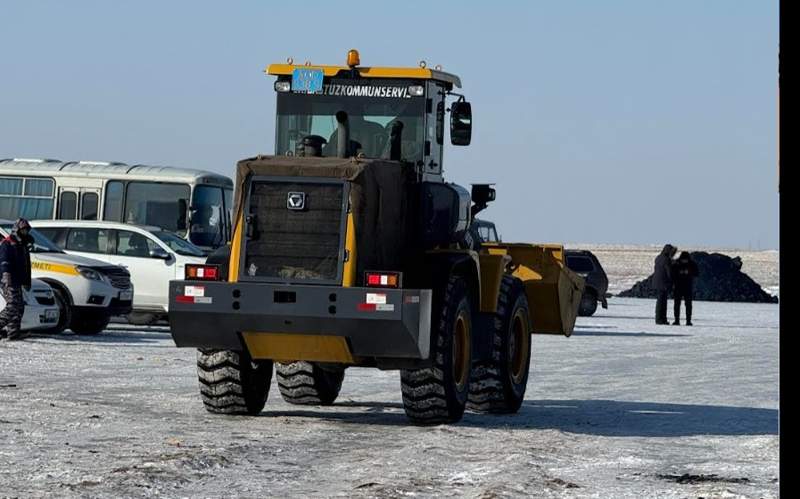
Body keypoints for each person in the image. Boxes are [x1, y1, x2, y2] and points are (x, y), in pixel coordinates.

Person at [0, 218, 33, 341]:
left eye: (26, 231)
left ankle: (13, 333)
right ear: (17, 230)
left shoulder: (23, 245)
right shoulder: (7, 243)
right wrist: (6, 275)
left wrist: (27, 281)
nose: (25, 233)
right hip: (8, 279)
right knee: (13, 305)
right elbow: (4, 260)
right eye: (23, 230)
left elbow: (26, 265)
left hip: (18, 280)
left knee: (19, 307)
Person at [672, 251, 699, 325]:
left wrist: (689, 272)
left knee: (687, 305)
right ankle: (677, 320)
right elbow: (672, 274)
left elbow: (696, 273)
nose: (684, 261)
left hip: (686, 287)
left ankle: (688, 321)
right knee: (678, 304)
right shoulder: (678, 263)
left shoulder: (691, 264)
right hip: (680, 287)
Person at [653, 244, 677, 325]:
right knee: (662, 302)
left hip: (657, 281)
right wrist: (672, 281)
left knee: (660, 301)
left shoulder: (658, 258)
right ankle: (661, 319)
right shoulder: (666, 259)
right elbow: (669, 272)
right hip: (663, 282)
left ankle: (660, 319)